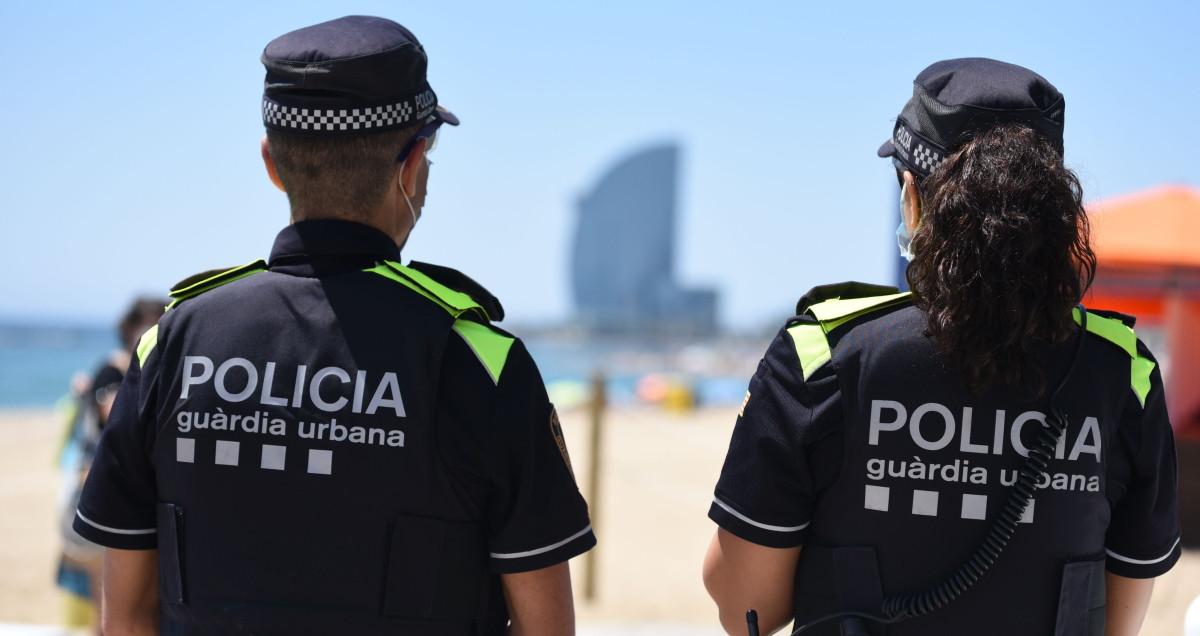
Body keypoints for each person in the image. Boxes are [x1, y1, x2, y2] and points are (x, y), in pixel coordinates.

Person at [74, 15, 594, 636]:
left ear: (272, 162)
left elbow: (124, 618)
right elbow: (547, 629)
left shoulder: (171, 344)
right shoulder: (479, 360)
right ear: (412, 165)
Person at [702, 58, 1181, 636]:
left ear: (912, 193)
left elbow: (746, 609)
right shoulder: (1124, 371)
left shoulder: (823, 354)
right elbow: (1119, 622)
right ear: (1052, 207)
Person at [56, 297, 165, 634]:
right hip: (101, 499)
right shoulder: (115, 370)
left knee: (110, 604)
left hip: (107, 498)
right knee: (111, 607)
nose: (152, 330)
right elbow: (116, 415)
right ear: (129, 329)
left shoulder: (137, 370)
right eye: (146, 323)